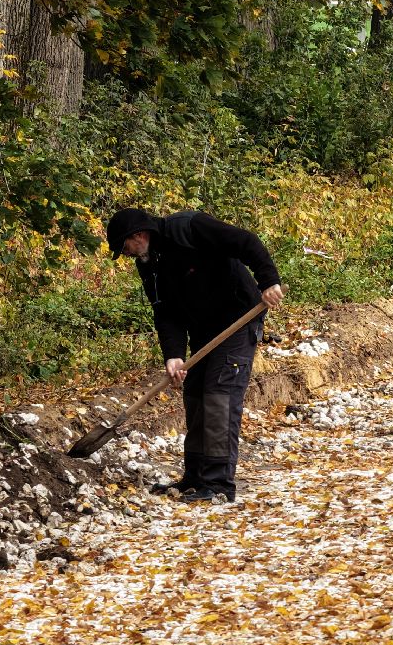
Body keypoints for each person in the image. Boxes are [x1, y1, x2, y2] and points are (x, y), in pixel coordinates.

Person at [105, 207, 284, 503]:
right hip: (204, 330)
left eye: (124, 248)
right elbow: (165, 312)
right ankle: (195, 476)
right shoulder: (148, 263)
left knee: (219, 396)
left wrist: (268, 280)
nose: (126, 255)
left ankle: (218, 485)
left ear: (137, 236)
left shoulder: (188, 227)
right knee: (196, 395)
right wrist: (173, 355)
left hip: (238, 320)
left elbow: (246, 242)